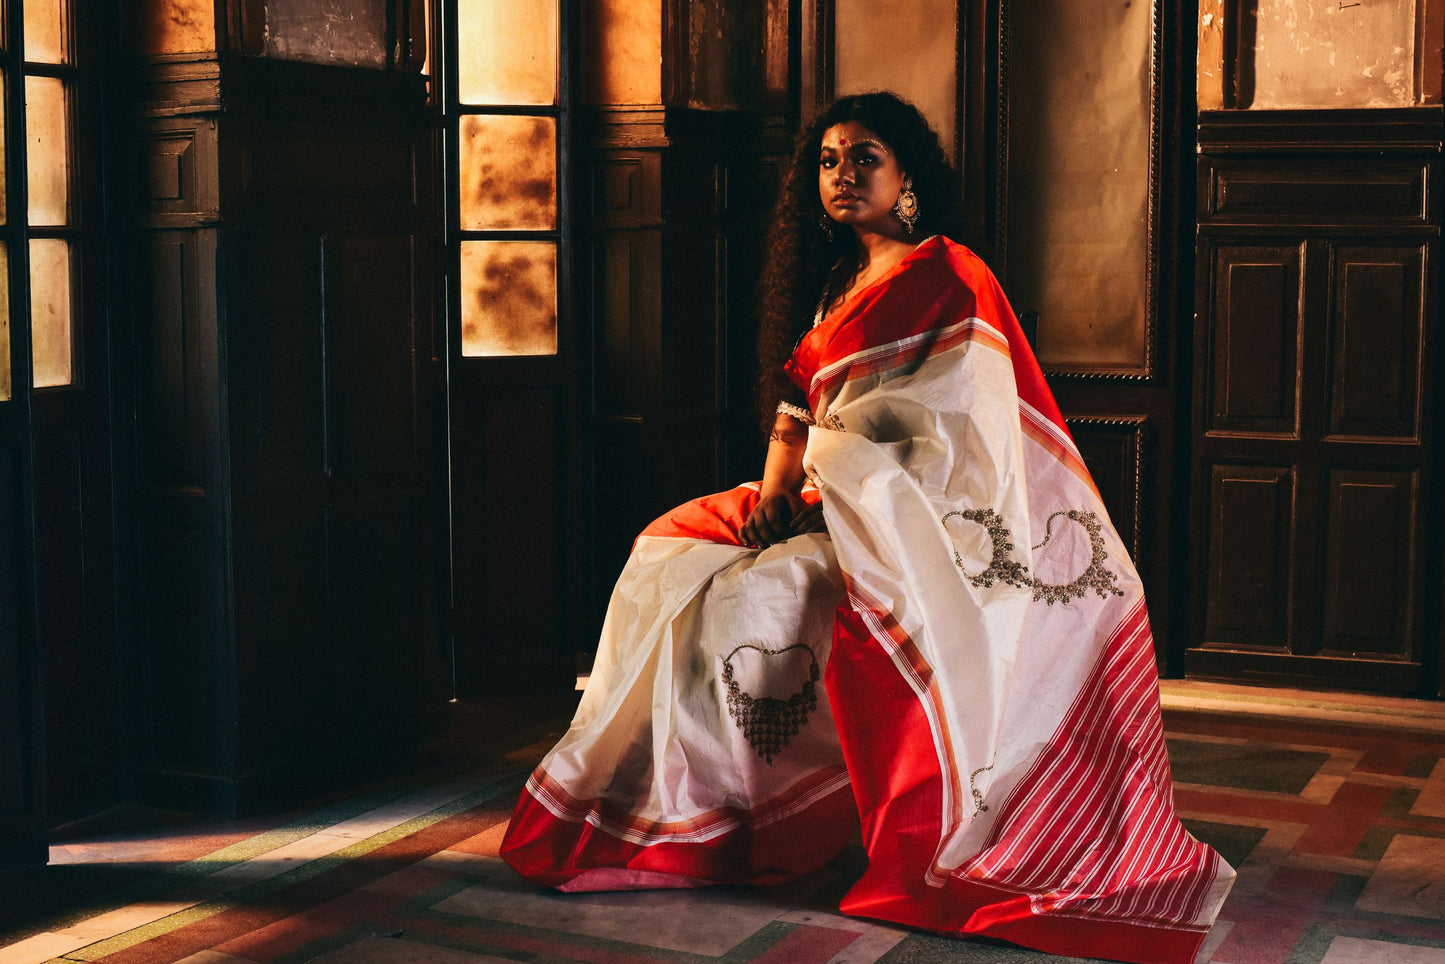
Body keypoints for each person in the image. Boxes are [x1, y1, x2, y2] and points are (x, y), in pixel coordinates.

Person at [501, 92, 1234, 964]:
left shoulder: (949, 274)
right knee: (670, 556)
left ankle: (789, 815)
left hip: (923, 516)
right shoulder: (831, 282)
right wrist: (777, 490)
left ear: (907, 176)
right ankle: (702, 815)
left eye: (864, 158)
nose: (843, 175)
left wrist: (839, 476)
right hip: (830, 496)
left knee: (769, 598)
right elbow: (795, 401)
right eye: (828, 160)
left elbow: (962, 424)